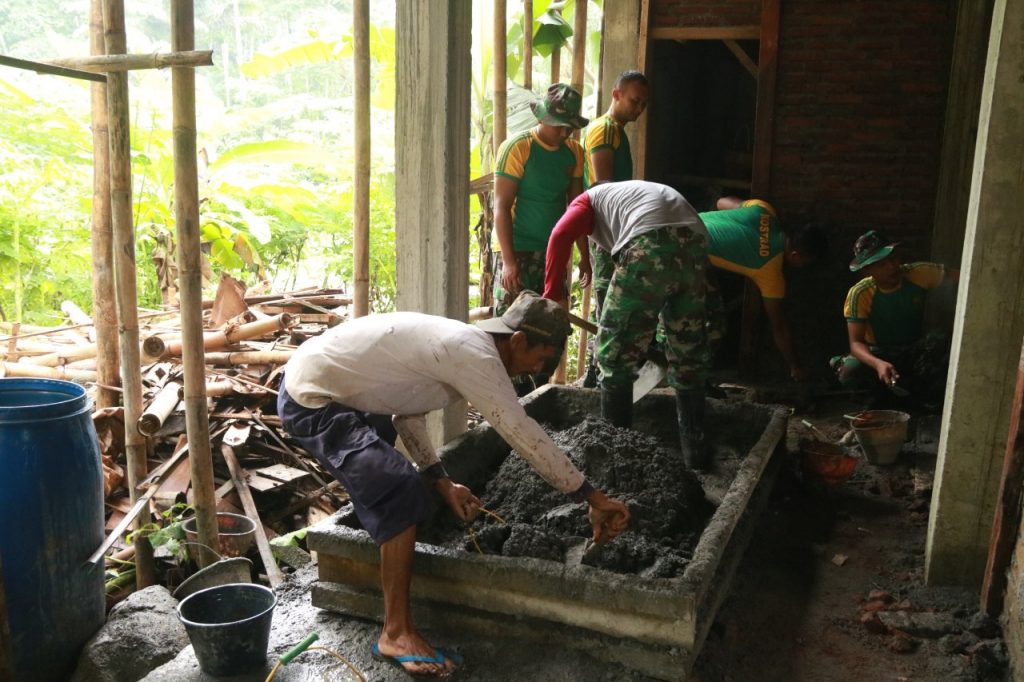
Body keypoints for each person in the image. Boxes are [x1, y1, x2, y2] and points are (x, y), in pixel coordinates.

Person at [277, 291, 630, 677]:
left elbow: (405, 417)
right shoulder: (474, 356)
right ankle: (395, 632)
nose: (536, 369)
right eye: (540, 358)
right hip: (313, 401)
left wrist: (443, 484)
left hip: (341, 391)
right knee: (399, 489)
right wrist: (591, 497)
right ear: (517, 341)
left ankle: (387, 530)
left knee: (396, 481)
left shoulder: (465, 346)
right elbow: (521, 433)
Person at [543, 180, 711, 468]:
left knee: (614, 356)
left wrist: (553, 295)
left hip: (650, 241)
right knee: (688, 355)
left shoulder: (587, 200)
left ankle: (616, 463)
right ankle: (697, 458)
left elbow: (559, 235)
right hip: (696, 245)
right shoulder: (631, 197)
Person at [699, 196, 827, 381]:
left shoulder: (765, 210)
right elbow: (779, 327)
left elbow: (721, 202)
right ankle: (690, 379)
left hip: (675, 222)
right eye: (807, 262)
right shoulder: (770, 270)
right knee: (713, 326)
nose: (804, 267)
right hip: (680, 252)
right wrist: (795, 366)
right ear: (796, 255)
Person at [493, 83, 589, 316]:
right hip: (517, 249)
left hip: (552, 250)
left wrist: (585, 256)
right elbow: (502, 207)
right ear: (542, 118)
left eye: (570, 127)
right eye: (560, 126)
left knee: (548, 324)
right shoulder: (518, 148)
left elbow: (576, 209)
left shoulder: (574, 152)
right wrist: (508, 262)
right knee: (510, 322)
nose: (565, 133)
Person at [830, 230, 959, 403]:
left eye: (893, 259)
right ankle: (877, 395)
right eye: (881, 264)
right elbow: (856, 343)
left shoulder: (918, 273)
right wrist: (878, 364)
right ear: (868, 270)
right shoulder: (859, 294)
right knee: (850, 372)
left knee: (941, 340)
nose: (891, 267)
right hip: (879, 351)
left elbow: (964, 276)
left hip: (914, 347)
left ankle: (921, 397)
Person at [581, 70, 650, 386]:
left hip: (614, 230)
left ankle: (600, 373)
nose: (638, 109)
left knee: (610, 298)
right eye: (635, 101)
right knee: (607, 298)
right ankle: (598, 376)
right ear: (616, 94)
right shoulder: (605, 130)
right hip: (608, 231)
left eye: (643, 104)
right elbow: (603, 188)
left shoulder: (615, 131)